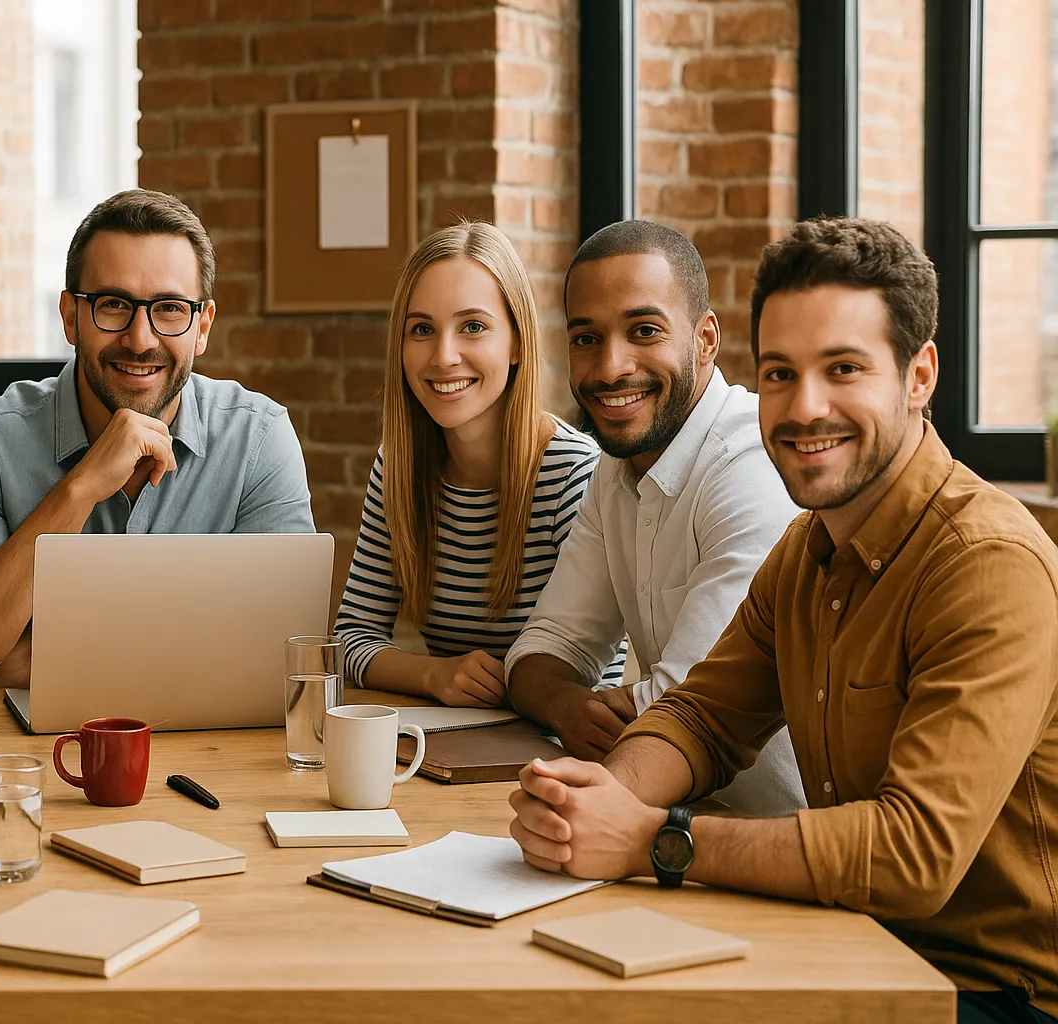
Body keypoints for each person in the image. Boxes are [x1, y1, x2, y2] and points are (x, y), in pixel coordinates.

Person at [509, 217, 1057, 1024]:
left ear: (919, 376)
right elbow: (701, 717)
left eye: (843, 370)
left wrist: (655, 838)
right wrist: (595, 802)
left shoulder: (988, 562)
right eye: (778, 374)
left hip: (990, 993)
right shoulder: (806, 551)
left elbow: (913, 856)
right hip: (851, 943)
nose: (804, 409)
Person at [0, 189, 315, 674]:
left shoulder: (258, 438)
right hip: (22, 749)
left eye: (168, 308)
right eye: (113, 304)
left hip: (214, 746)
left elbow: (290, 655)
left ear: (202, 326)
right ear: (70, 316)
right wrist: (79, 489)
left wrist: (46, 655)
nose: (140, 340)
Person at [505, 220, 804, 815]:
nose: (611, 367)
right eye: (586, 338)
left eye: (644, 330)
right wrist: (571, 707)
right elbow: (540, 649)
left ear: (705, 339)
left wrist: (599, 706)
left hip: (780, 848)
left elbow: (685, 711)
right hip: (666, 821)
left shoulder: (751, 468)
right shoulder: (615, 471)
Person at [334, 222, 622, 705]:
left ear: (515, 342)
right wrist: (434, 676)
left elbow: (596, 677)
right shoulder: (399, 466)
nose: (444, 356)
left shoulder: (574, 472)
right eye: (422, 330)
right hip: (446, 746)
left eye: (473, 327)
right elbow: (351, 638)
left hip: (552, 753)